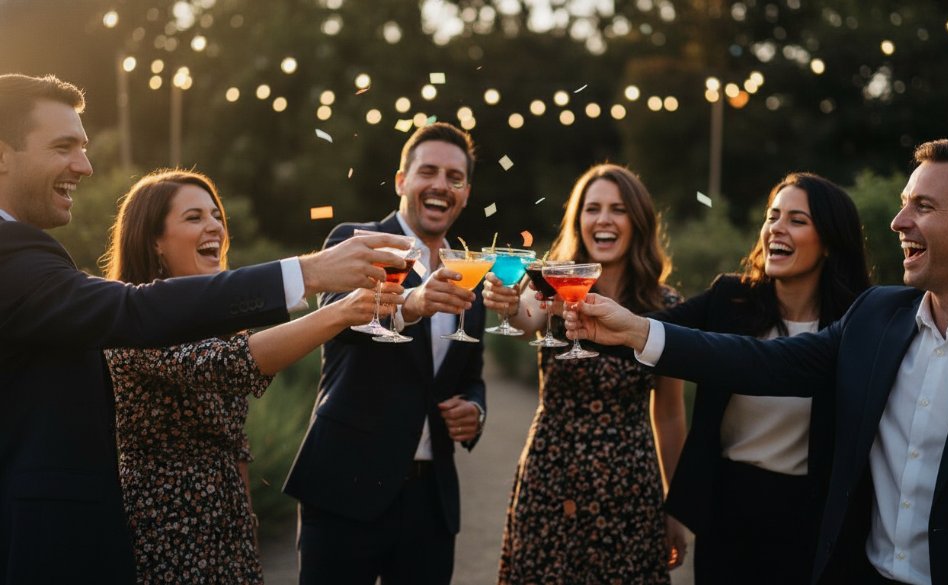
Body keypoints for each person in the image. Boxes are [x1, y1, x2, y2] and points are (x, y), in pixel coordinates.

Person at [0, 73, 409, 584]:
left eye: (216, 215)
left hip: (221, 533)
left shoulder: (30, 256)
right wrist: (312, 276)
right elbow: (196, 343)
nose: (85, 165)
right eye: (64, 147)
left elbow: (233, 435)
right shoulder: (20, 259)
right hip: (159, 538)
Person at [565, 139, 948, 585]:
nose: (898, 221)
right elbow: (764, 362)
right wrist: (634, 330)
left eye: (923, 206)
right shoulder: (877, 317)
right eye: (904, 203)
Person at [99, 169, 404, 584]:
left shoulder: (216, 322)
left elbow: (234, 442)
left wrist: (246, 526)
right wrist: (340, 312)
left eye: (216, 215)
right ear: (154, 240)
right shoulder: (130, 321)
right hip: (166, 529)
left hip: (229, 526)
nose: (214, 226)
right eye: (194, 217)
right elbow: (229, 365)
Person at [284, 122, 487, 585]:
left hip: (431, 504)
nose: (441, 185)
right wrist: (411, 304)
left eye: (454, 178)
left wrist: (476, 409)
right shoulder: (357, 240)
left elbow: (470, 375)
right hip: (345, 486)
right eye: (428, 172)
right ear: (401, 181)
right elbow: (338, 316)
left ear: (466, 194)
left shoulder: (470, 271)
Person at [650, 173, 870, 584]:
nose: (776, 229)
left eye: (797, 220)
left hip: (809, 516)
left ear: (829, 242)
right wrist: (577, 315)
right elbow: (652, 330)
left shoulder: (856, 324)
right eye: (773, 216)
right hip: (726, 507)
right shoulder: (729, 298)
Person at [484, 163, 687, 584]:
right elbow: (525, 318)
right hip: (552, 478)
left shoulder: (666, 305)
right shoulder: (551, 286)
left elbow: (669, 415)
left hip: (631, 488)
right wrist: (509, 304)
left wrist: (676, 506)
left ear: (638, 221)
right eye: (592, 208)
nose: (603, 219)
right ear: (579, 221)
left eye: (618, 209)